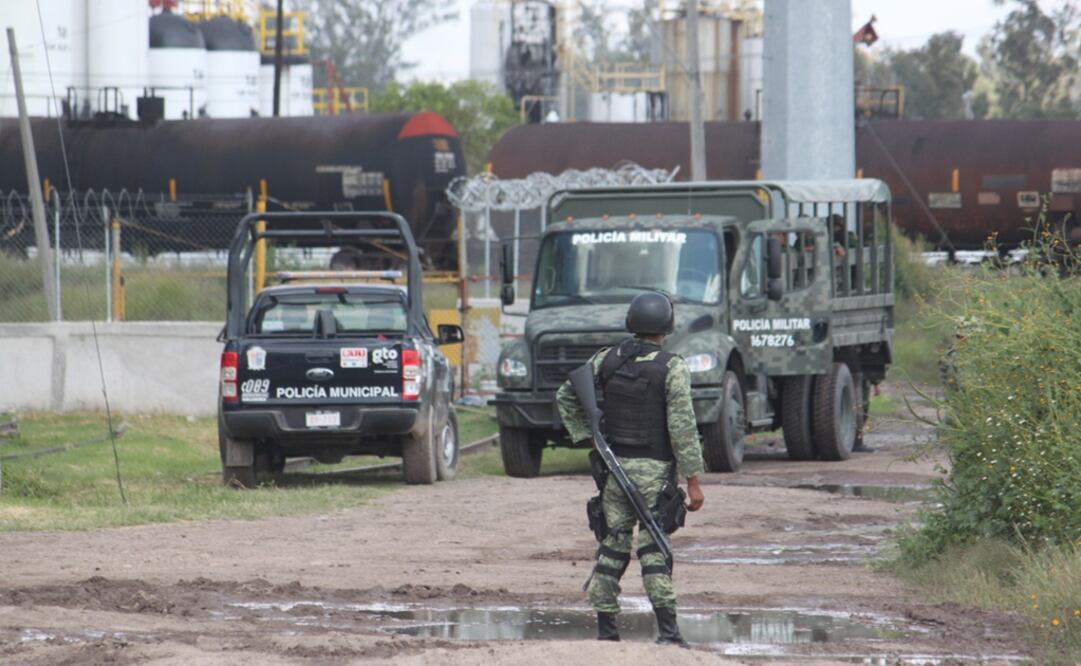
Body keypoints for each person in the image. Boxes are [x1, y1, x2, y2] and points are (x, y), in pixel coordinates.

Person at [556, 291, 706, 646]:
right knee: (655, 550)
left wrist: (591, 437)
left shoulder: (606, 359)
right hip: (654, 471)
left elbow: (565, 395)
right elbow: (683, 428)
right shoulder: (672, 366)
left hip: (614, 469)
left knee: (612, 547)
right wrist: (694, 482)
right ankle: (668, 633)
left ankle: (607, 631)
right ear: (666, 328)